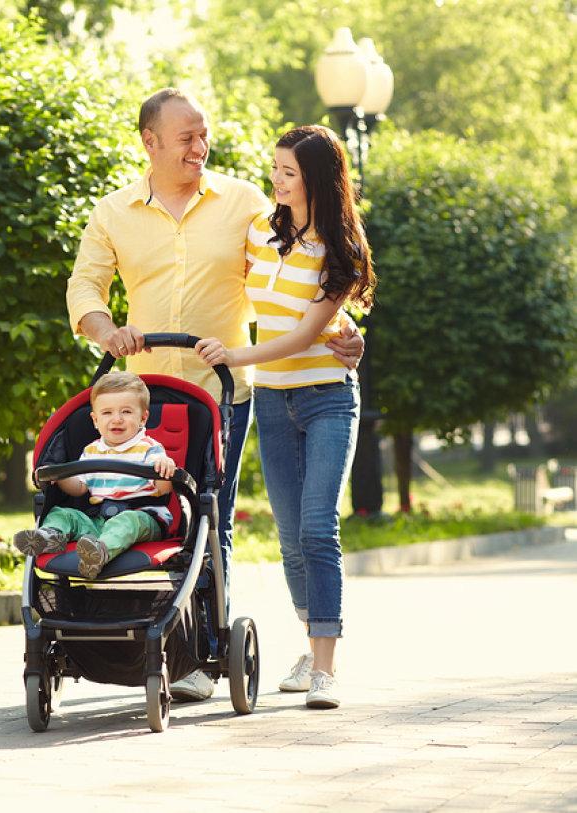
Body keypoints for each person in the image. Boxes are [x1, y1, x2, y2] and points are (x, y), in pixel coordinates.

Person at [66, 88, 365, 702]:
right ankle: (164, 641)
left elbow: (302, 267)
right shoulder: (113, 212)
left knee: (212, 518)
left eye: (205, 136)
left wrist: (344, 327)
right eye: (186, 139)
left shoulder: (245, 205)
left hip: (221, 392)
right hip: (144, 396)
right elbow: (85, 288)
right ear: (150, 142)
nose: (200, 148)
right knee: (142, 512)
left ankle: (201, 653)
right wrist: (106, 331)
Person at [195, 124, 376, 709]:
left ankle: (325, 667)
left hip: (325, 394)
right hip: (273, 400)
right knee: (290, 540)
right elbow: (231, 286)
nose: (275, 180)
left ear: (317, 179)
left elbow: (303, 335)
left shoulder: (339, 249)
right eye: (273, 168)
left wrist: (235, 354)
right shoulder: (259, 232)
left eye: (288, 172)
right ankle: (310, 642)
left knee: (319, 528)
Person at [13, 372, 177, 579]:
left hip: (144, 517)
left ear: (143, 417)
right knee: (62, 513)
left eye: (126, 412)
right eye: (107, 413)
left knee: (127, 521)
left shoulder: (150, 449)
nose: (117, 419)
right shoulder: (91, 451)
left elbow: (164, 489)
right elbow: (80, 487)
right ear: (95, 419)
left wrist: (165, 467)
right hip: (100, 520)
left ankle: (99, 552)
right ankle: (50, 536)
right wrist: (61, 476)